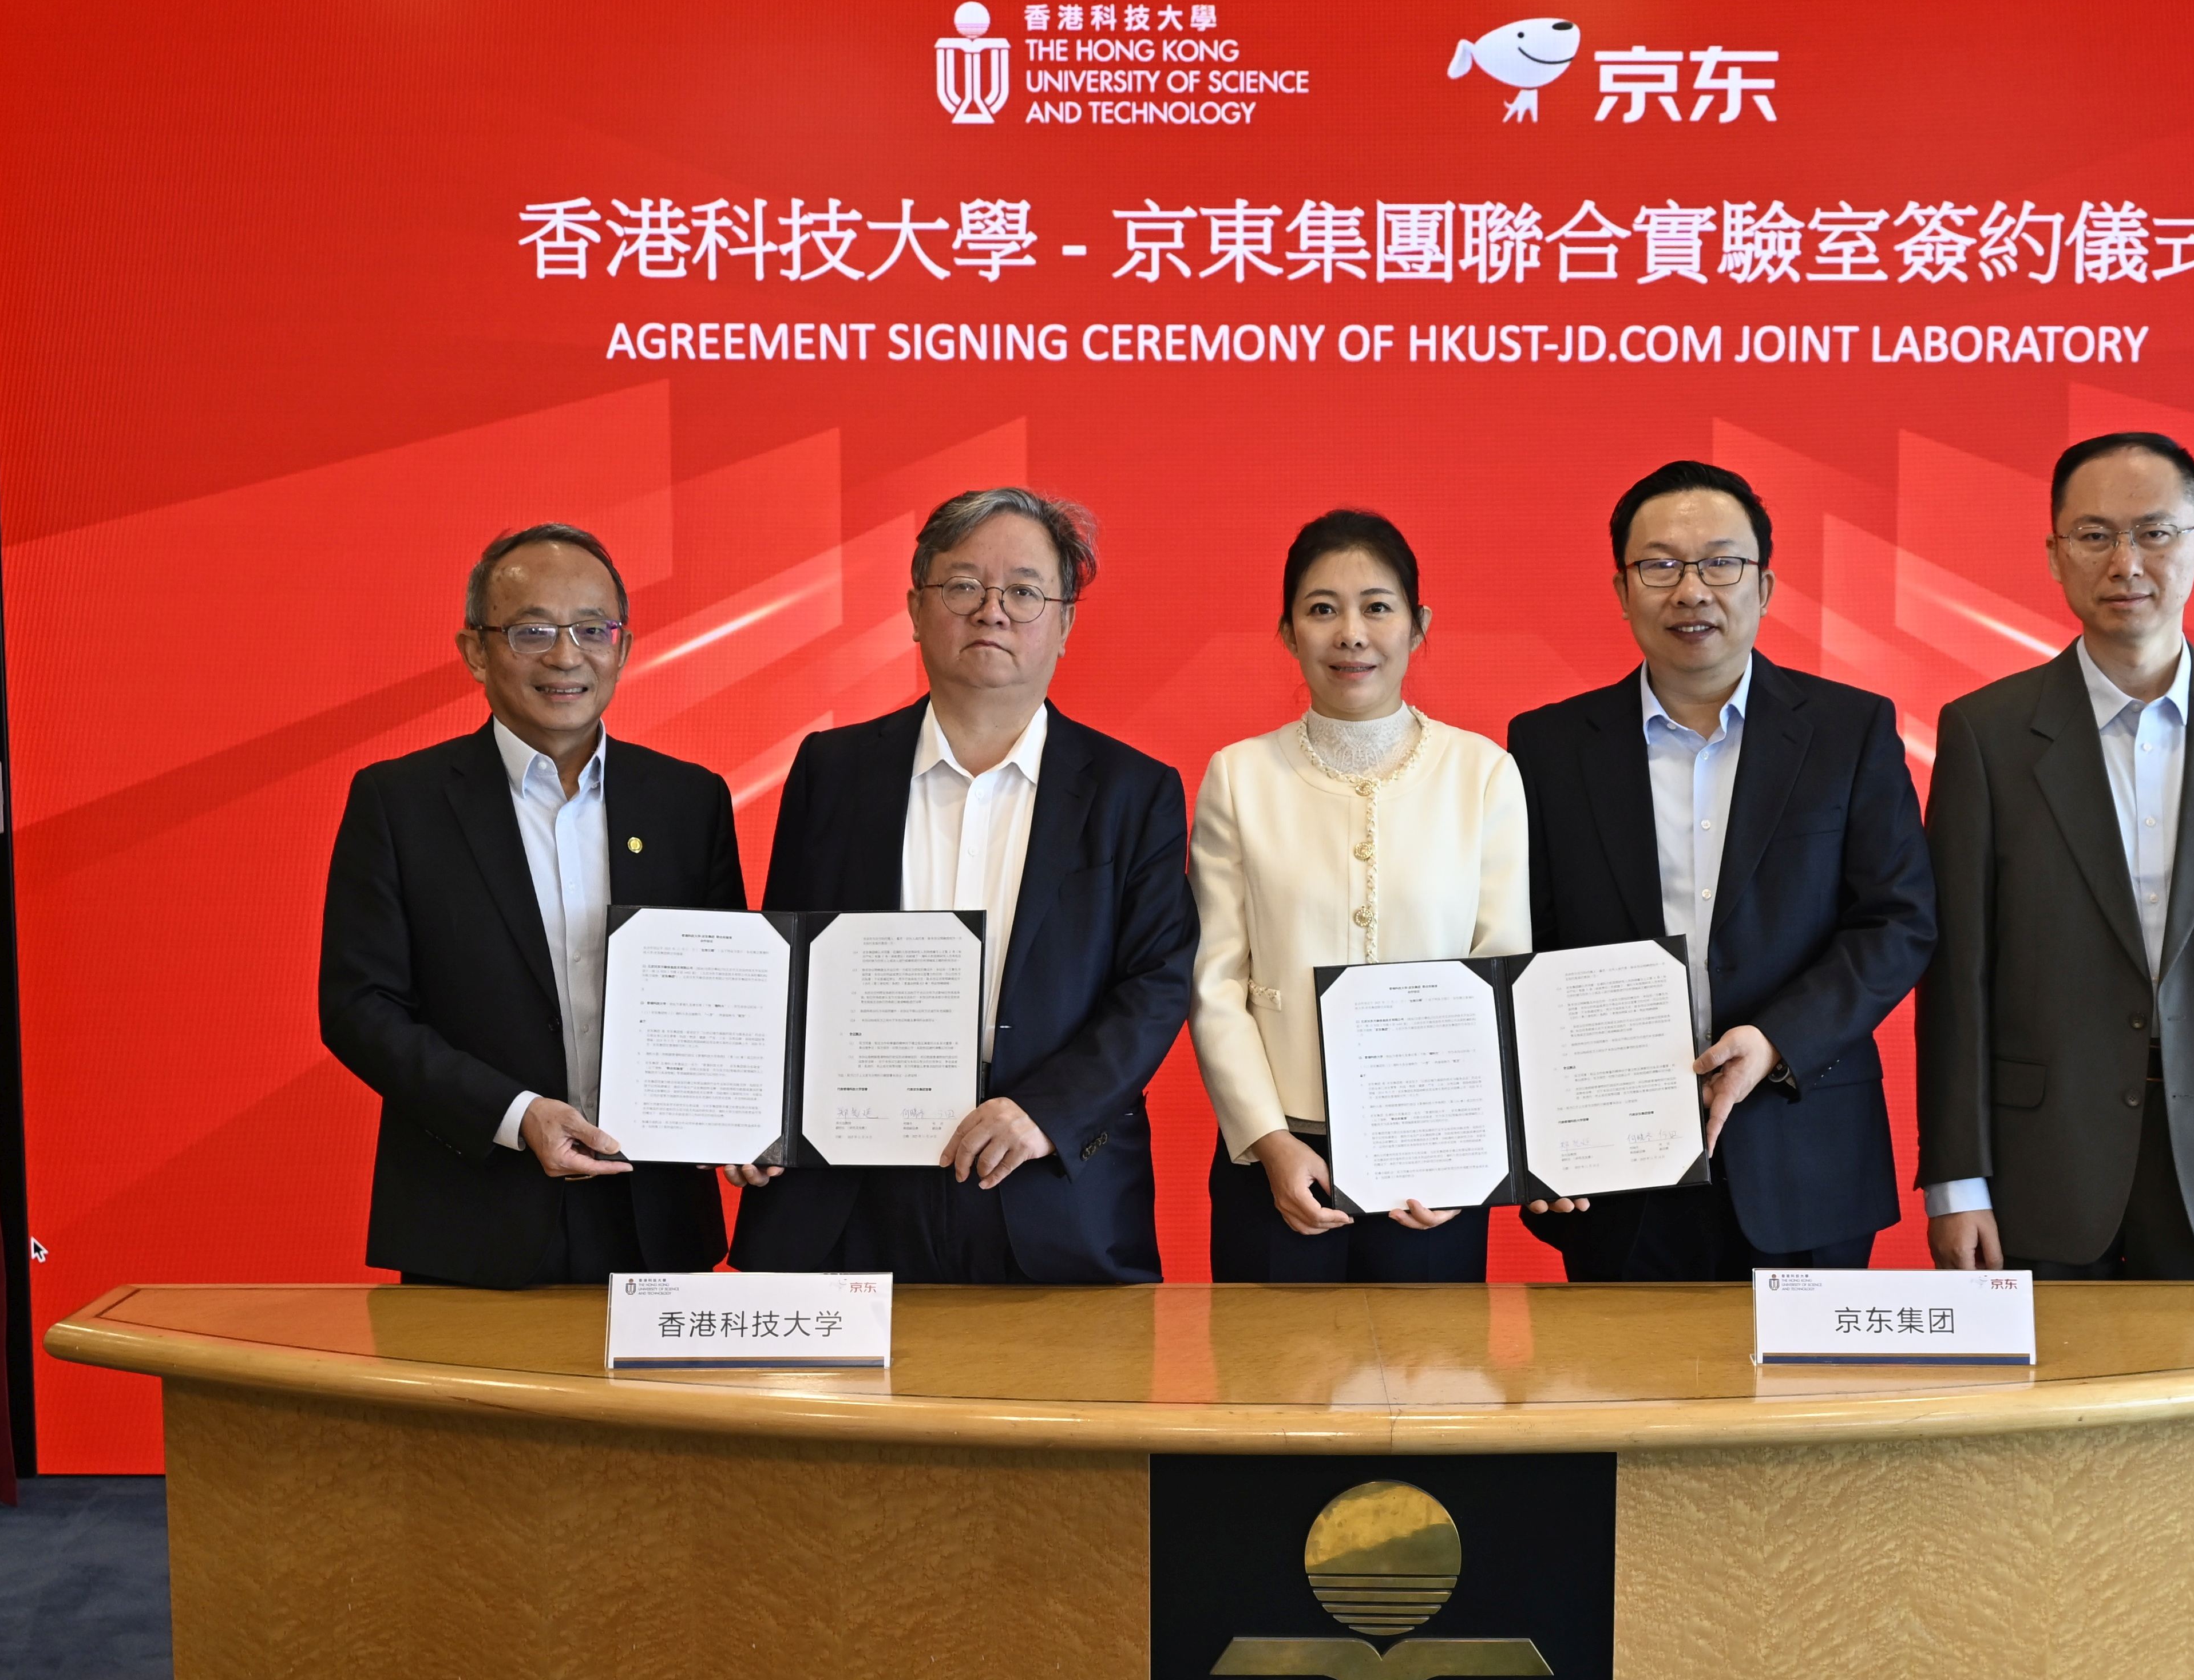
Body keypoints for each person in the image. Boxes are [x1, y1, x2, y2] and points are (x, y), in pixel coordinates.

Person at [728, 487, 1194, 1284]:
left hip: (1049, 1186)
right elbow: (786, 963)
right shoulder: (832, 771)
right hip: (847, 1190)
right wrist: (748, 1106)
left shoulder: (1132, 790)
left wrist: (1044, 1113)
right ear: (915, 608)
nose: (992, 611)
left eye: (1022, 590)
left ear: (1065, 621)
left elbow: (1155, 981)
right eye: (962, 586)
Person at [1918, 431, 2194, 1282]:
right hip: (2039, 1167)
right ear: (2053, 553)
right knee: (2043, 1416)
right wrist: (1955, 1179)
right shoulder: (1984, 734)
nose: (2126, 562)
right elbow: (1955, 973)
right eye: (2093, 534)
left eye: (2155, 532)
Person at [1509, 461, 1935, 1279]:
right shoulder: (1550, 746)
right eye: (1660, 565)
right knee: (1628, 1406)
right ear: (1621, 587)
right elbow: (1530, 942)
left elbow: (1898, 919)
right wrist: (1541, 1133)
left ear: (1765, 585)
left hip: (1803, 1151)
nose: (1691, 590)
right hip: (1615, 1169)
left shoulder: (1849, 731)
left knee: (1807, 1409)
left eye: (1720, 563)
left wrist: (1778, 1038)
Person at [318, 523, 743, 1287]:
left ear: (625, 646)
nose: (565, 656)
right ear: (475, 650)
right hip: (472, 1218)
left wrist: (743, 1116)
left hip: (654, 1225)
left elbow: (729, 997)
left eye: (591, 629)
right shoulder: (399, 802)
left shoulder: (690, 802)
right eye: (532, 631)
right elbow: (360, 1007)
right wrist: (515, 1116)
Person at [1188, 509, 1529, 1281]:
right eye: (1321, 609)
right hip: (1276, 1157)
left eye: (1377, 606)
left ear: (1418, 625)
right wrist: (1267, 1140)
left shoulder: (1481, 773)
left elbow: (1503, 969)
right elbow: (1215, 982)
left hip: (1433, 1166)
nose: (1351, 633)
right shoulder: (1238, 777)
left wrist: (1465, 1148)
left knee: (1431, 1383)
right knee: (1274, 1389)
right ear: (1286, 631)